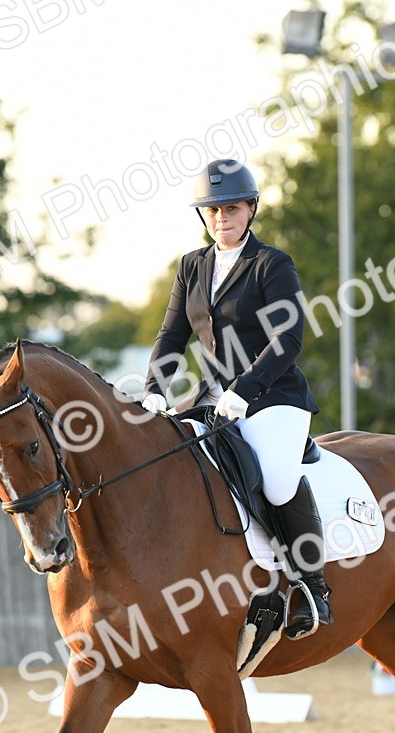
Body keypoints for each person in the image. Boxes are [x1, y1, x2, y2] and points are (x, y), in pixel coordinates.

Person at [142, 158, 332, 640]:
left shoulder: (271, 263)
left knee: (276, 481)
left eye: (230, 209)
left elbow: (287, 339)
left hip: (274, 396)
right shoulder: (191, 266)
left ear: (250, 210)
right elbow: (171, 337)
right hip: (211, 397)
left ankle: (312, 586)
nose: (221, 218)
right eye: (212, 211)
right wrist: (153, 391)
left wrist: (244, 390)